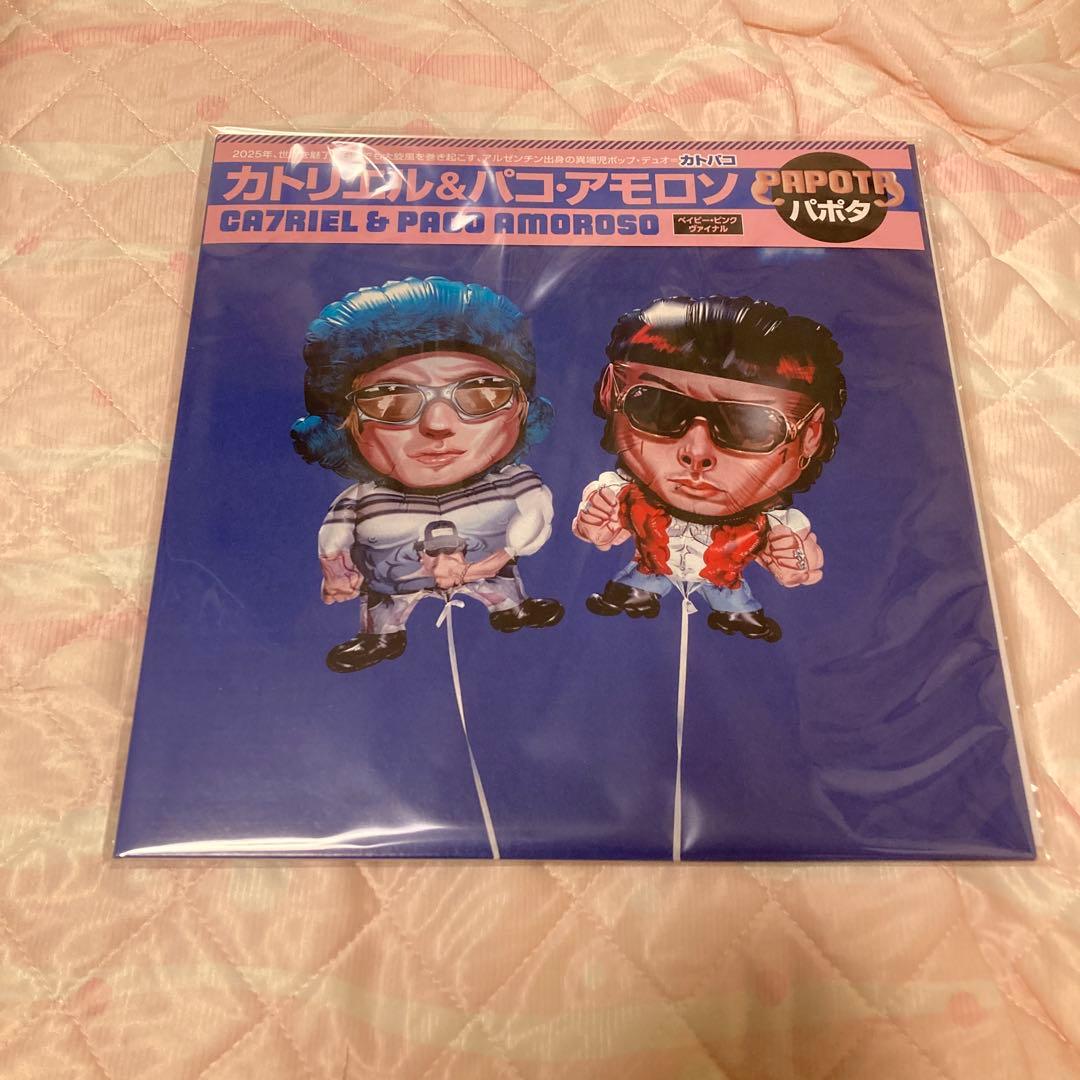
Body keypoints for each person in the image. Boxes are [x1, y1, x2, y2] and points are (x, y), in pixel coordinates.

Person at [291, 277, 563, 672]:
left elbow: (536, 512)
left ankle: (512, 608)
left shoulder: (512, 482)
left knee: (499, 585)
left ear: (521, 407)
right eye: (390, 400)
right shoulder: (361, 500)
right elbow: (335, 536)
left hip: (486, 569)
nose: (438, 424)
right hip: (394, 582)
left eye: (481, 392)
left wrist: (504, 555)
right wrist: (335, 570)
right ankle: (381, 636)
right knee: (387, 606)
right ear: (344, 422)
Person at [572, 294, 846, 642]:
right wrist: (598, 518)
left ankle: (737, 611)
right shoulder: (625, 493)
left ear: (810, 435)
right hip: (649, 573)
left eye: (747, 425)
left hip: (723, 580)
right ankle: (638, 590)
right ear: (611, 394)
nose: (696, 453)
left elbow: (797, 559)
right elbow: (598, 529)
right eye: (659, 407)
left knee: (730, 596)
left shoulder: (773, 525)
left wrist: (793, 559)